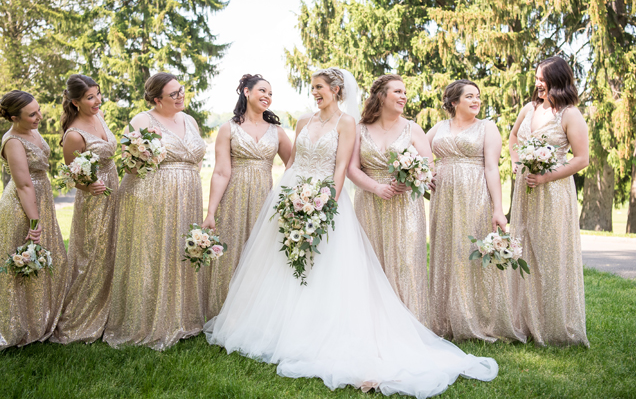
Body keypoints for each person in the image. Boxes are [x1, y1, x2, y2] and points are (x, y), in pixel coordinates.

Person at [205, 68, 498, 397]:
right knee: (281, 262)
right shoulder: (303, 121)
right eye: (312, 87)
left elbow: (342, 167)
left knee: (325, 268)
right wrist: (284, 199)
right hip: (290, 196)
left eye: (319, 87)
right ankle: (274, 327)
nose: (314, 92)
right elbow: (292, 164)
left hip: (326, 200)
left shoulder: (347, 124)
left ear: (336, 89)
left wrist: (323, 205)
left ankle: (320, 331)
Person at [104, 73, 207, 350]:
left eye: (181, 90)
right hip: (150, 195)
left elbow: (195, 159)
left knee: (180, 251)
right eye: (173, 94)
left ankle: (182, 315)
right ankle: (149, 320)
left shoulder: (190, 120)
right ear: (156, 99)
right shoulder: (142, 120)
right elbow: (130, 165)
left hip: (187, 196)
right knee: (154, 252)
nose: (180, 96)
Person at [426, 80, 525, 343]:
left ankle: (479, 318)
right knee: (447, 251)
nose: (476, 100)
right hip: (444, 200)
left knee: (470, 253)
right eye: (469, 96)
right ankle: (445, 318)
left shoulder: (487, 128)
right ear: (454, 102)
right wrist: (426, 174)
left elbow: (492, 168)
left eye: (478, 96)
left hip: (475, 197)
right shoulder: (438, 128)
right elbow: (418, 152)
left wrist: (498, 210)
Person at [509, 56, 590, 346]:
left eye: (541, 78)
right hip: (525, 190)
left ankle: (555, 323)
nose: (537, 83)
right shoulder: (528, 108)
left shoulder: (570, 114)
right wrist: (518, 163)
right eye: (536, 78)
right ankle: (525, 321)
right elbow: (514, 137)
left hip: (554, 191)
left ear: (557, 79)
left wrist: (545, 177)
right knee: (525, 250)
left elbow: (582, 159)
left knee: (551, 252)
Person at [0, 91, 68, 354]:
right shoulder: (13, 141)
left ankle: (41, 320)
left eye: (38, 110)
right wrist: (34, 222)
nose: (39, 117)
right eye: (32, 114)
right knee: (22, 261)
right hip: (22, 206)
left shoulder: (33, 131)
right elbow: (24, 184)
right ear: (14, 117)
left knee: (48, 260)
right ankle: (15, 327)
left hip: (41, 199)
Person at [202, 74, 291, 319]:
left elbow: (294, 166)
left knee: (262, 253)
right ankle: (225, 312)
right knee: (232, 250)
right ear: (246, 91)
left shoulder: (277, 132)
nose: (267, 96)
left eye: (271, 93)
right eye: (263, 90)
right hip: (234, 198)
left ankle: (258, 315)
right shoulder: (228, 128)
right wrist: (210, 212)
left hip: (265, 199)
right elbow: (220, 172)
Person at [348, 74, 431, 325]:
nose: (404, 96)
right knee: (370, 261)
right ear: (381, 96)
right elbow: (352, 169)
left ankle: (410, 323)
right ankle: (372, 323)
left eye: (405, 92)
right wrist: (376, 187)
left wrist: (410, 181)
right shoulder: (359, 129)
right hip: (370, 202)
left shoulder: (412, 128)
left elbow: (428, 167)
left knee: (406, 263)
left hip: (405, 205)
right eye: (397, 91)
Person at [52, 75, 119, 344]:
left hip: (115, 190)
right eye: (90, 97)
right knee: (93, 255)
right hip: (94, 201)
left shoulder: (99, 117)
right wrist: (88, 187)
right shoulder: (74, 135)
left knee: (113, 252)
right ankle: (82, 317)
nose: (97, 100)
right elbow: (73, 177)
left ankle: (111, 312)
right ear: (75, 102)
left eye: (98, 94)